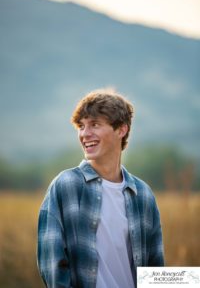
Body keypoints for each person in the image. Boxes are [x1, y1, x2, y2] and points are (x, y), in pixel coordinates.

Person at [37, 88, 164, 288]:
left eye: (94, 124)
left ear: (121, 130)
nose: (85, 134)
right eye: (81, 126)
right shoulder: (66, 186)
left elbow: (156, 270)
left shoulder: (144, 195)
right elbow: (52, 266)